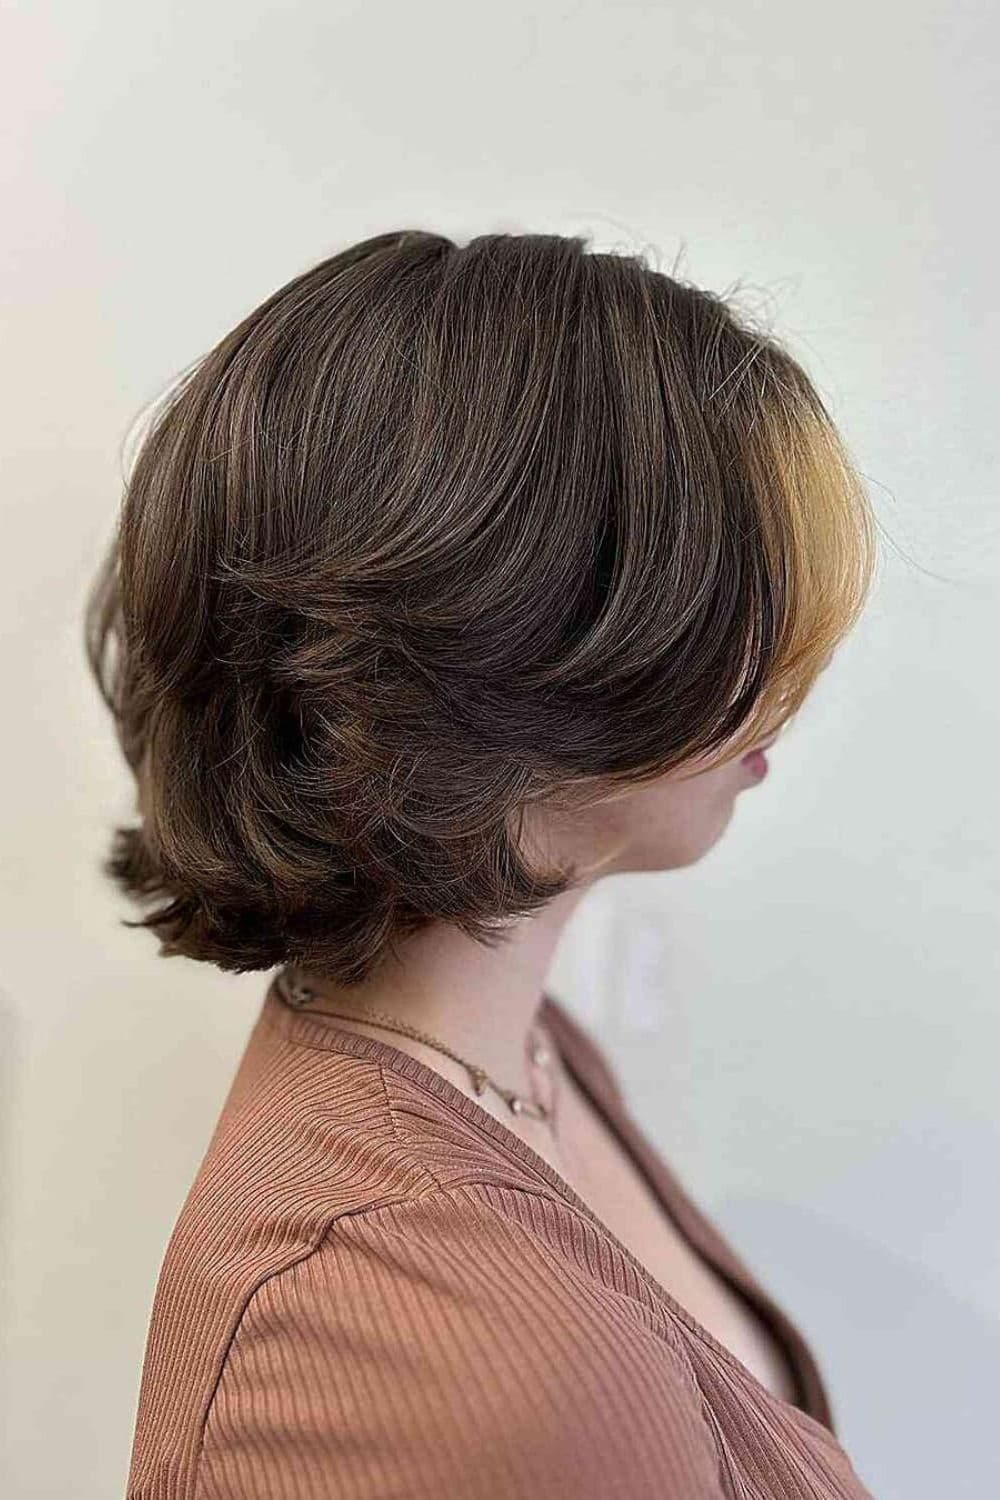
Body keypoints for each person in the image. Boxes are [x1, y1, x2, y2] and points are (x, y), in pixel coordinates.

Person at [85, 228, 879, 1498]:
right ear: (527, 660)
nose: (790, 680)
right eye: (748, 610)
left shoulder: (521, 1058)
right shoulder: (460, 1358)